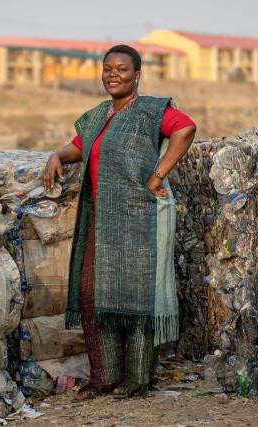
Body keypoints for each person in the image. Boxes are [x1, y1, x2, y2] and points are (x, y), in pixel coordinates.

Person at [42, 44, 196, 399]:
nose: (113, 74)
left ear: (137, 75)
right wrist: (56, 155)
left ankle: (137, 379)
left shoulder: (151, 110)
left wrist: (157, 176)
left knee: (136, 297)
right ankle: (104, 376)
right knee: (92, 293)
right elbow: (81, 146)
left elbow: (185, 130)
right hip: (103, 217)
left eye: (122, 69)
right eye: (107, 68)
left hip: (139, 216)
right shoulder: (100, 115)